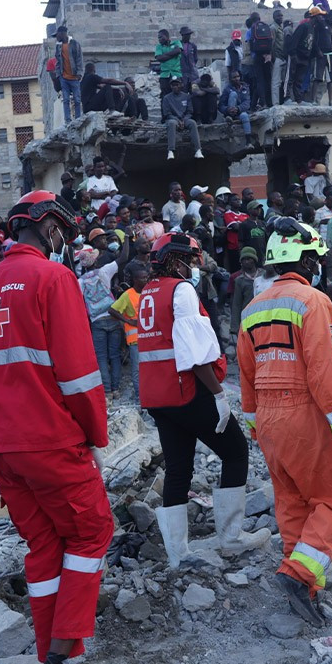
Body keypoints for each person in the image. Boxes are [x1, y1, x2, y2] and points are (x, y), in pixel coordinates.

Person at [0, 190, 111, 664]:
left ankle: (56, 660)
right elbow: (78, 373)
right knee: (92, 531)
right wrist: (96, 437)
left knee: (46, 546)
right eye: (62, 233)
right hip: (48, 439)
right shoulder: (54, 278)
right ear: (50, 229)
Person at [238, 219, 332, 627]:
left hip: (270, 422)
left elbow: (245, 373)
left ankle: (301, 586)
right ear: (306, 259)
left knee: (293, 505)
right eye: (317, 258)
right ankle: (300, 574)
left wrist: (256, 426)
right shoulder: (312, 300)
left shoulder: (252, 309)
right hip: (304, 412)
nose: (320, 264)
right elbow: (323, 372)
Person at [138, 233, 269, 568]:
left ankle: (178, 556)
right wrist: (219, 393)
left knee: (178, 468)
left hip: (158, 395)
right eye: (192, 259)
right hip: (186, 390)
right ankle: (231, 538)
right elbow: (194, 355)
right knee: (236, 451)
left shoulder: (149, 292)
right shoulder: (180, 290)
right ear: (176, 259)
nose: (195, 266)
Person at [77, 248, 123, 397]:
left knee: (101, 357)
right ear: (95, 260)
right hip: (113, 316)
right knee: (115, 355)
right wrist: (128, 237)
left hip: (96, 321)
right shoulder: (104, 271)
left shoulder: (80, 281)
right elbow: (123, 258)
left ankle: (107, 391)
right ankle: (116, 389)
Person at [108, 261, 148, 402]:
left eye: (146, 277)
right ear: (135, 280)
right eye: (142, 278)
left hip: (149, 337)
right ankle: (140, 397)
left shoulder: (149, 291)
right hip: (135, 338)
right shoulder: (127, 295)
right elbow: (112, 310)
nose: (145, 280)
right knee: (137, 370)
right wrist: (128, 321)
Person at [162, 78, 203, 161]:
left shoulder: (186, 96)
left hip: (185, 119)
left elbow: (190, 111)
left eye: (177, 84)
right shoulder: (166, 98)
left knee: (192, 123)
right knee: (171, 124)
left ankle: (198, 150)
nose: (175, 87)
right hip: (173, 119)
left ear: (180, 85)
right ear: (171, 86)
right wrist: (177, 120)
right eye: (173, 85)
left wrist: (184, 120)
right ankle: (170, 150)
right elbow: (167, 113)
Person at [52, 25, 84, 122]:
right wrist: (58, 75)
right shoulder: (58, 47)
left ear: (62, 33)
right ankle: (68, 120)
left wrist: (79, 73)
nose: (57, 38)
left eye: (57, 35)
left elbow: (79, 59)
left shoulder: (75, 44)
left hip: (74, 77)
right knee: (65, 100)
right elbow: (58, 62)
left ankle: (78, 119)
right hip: (64, 77)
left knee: (77, 99)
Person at [229, 246, 260, 340]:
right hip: (248, 317)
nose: (246, 262)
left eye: (249, 259)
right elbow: (236, 304)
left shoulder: (263, 276)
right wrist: (235, 327)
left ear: (254, 260)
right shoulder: (239, 280)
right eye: (244, 260)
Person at [220, 70, 257, 147]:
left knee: (245, 116)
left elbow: (247, 103)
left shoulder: (245, 88)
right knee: (233, 94)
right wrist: (227, 109)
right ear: (230, 79)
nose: (237, 79)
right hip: (229, 113)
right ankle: (230, 117)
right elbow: (221, 105)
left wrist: (238, 108)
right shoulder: (227, 89)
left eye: (238, 76)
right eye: (234, 77)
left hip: (239, 112)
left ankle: (248, 142)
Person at [154, 29, 184, 97]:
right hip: (164, 75)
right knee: (165, 95)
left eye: (161, 37)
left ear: (166, 36)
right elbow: (159, 58)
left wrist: (164, 56)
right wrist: (173, 54)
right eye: (158, 38)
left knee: (178, 94)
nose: (159, 39)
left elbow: (178, 51)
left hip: (176, 73)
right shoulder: (158, 46)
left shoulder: (176, 42)